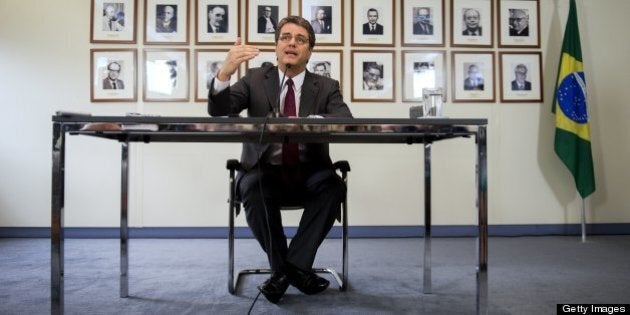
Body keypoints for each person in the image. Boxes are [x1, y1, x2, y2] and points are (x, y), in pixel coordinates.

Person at [208, 15, 352, 304]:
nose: (292, 43)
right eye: (286, 37)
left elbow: (344, 121)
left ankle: (287, 271)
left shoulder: (325, 86)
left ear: (309, 51)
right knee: (251, 184)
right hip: (265, 173)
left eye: (300, 39)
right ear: (276, 46)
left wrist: (310, 120)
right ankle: (294, 271)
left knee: (333, 186)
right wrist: (225, 72)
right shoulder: (254, 80)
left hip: (310, 173)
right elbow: (220, 110)